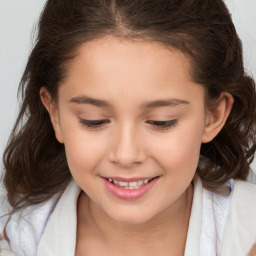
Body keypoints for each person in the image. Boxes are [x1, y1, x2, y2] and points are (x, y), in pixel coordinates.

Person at [1, 0, 256, 255]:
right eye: (94, 121)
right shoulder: (19, 240)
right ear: (55, 114)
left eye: (161, 121)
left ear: (212, 115)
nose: (126, 154)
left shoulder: (247, 235)